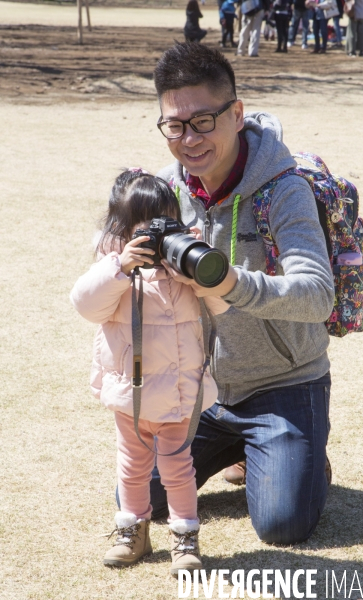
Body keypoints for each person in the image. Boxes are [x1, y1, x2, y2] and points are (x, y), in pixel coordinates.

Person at [150, 42, 335, 546]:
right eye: (175, 124)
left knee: (281, 525)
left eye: (204, 121)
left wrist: (229, 284)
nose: (189, 138)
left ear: (235, 113)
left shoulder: (283, 189)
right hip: (204, 391)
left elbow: (318, 294)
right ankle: (244, 447)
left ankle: (304, 453)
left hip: (285, 382)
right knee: (140, 500)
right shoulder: (166, 189)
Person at [70, 170, 228, 572]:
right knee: (132, 467)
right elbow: (85, 305)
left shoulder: (184, 265)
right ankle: (133, 530)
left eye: (166, 223)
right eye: (146, 229)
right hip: (132, 396)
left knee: (178, 468)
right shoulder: (115, 270)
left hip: (179, 394)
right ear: (121, 232)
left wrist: (197, 274)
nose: (157, 239)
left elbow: (224, 308)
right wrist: (120, 268)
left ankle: (185, 538)